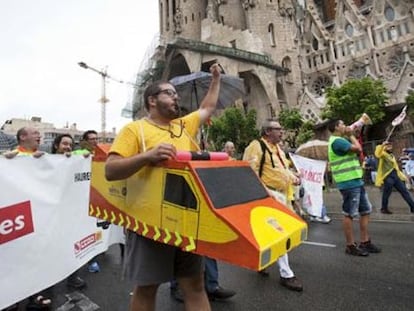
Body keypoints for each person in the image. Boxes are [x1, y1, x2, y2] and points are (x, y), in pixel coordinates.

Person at [105, 63, 222, 311]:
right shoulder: (134, 130)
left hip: (187, 221)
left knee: (195, 286)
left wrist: (215, 80)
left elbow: (208, 107)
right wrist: (147, 156)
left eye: (175, 94)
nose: (176, 97)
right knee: (147, 288)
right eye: (169, 93)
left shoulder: (183, 126)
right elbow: (111, 170)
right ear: (152, 101)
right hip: (150, 224)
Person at [243, 119, 303, 292]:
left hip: (282, 196)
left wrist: (294, 177)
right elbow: (249, 172)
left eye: (281, 128)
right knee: (280, 234)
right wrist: (265, 193)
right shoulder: (256, 146)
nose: (282, 132)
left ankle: (262, 261)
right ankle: (286, 274)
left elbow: (281, 170)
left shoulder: (277, 149)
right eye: (278, 129)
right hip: (267, 197)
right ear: (268, 131)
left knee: (269, 234)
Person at [3, 127, 51, 311]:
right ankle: (11, 298)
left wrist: (73, 158)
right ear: (22, 137)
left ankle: (34, 293)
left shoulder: (44, 157)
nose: (40, 136)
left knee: (34, 257)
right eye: (35, 133)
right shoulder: (11, 157)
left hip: (39, 216)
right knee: (15, 258)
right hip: (17, 217)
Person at [327, 119, 381, 257]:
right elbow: (358, 149)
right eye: (342, 124)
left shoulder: (340, 140)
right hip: (348, 182)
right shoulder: (337, 141)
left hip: (356, 180)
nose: (345, 126)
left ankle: (365, 241)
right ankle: (350, 245)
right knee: (349, 213)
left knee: (365, 210)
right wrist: (351, 135)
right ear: (335, 127)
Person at [51, 134, 87, 289]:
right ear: (56, 145)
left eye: (70, 145)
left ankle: (73, 277)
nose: (68, 147)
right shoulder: (45, 160)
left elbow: (84, 153)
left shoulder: (74, 158)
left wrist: (83, 155)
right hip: (52, 214)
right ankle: (47, 283)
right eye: (64, 143)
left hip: (70, 212)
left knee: (72, 244)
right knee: (50, 249)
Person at [374, 141, 414, 214]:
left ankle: (412, 207)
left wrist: (404, 177)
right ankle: (384, 208)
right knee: (386, 193)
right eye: (388, 146)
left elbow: (396, 168)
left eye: (390, 146)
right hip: (388, 177)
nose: (390, 147)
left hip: (395, 176)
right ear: (385, 147)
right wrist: (382, 145)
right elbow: (377, 153)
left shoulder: (392, 156)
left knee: (404, 191)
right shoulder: (383, 154)